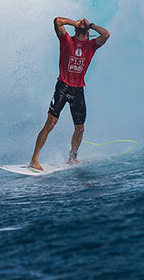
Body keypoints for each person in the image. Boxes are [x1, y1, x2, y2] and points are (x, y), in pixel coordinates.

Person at [29, 17, 110, 171]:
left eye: (84, 26)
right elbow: (57, 21)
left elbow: (106, 34)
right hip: (63, 87)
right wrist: (75, 23)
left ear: (88, 32)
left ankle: (72, 158)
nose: (82, 26)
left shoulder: (91, 46)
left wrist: (90, 25)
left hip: (78, 90)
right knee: (50, 123)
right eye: (80, 25)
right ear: (75, 29)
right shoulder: (66, 40)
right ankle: (34, 160)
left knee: (80, 128)